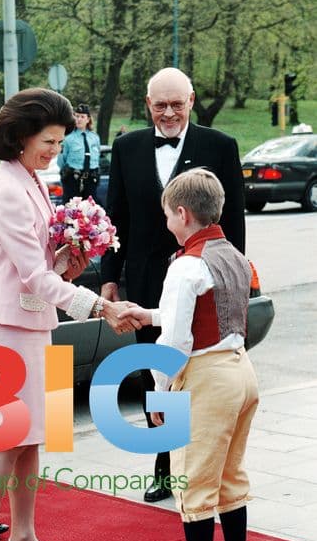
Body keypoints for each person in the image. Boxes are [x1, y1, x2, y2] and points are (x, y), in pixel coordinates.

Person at [0, 87, 137, 541]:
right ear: (20, 136)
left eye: (61, 142)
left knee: (36, 436)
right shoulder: (5, 189)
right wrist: (98, 305)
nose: (54, 151)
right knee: (4, 438)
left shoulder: (32, 180)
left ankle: (24, 535)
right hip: (3, 326)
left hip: (34, 321)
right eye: (48, 140)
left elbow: (43, 269)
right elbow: (30, 277)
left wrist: (69, 263)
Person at [101, 67, 245, 504]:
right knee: (156, 372)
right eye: (159, 105)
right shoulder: (127, 148)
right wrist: (110, 276)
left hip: (204, 280)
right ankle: (165, 466)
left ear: (192, 101)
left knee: (201, 371)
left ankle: (207, 463)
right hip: (147, 280)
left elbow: (233, 219)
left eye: (176, 104)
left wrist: (233, 278)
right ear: (148, 104)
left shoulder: (220, 146)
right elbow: (115, 219)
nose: (168, 113)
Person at [118, 168, 259, 541]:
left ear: (181, 213)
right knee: (231, 476)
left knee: (192, 479)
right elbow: (205, 310)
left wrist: (158, 394)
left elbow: (177, 342)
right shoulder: (231, 253)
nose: (165, 223)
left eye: (166, 215)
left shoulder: (185, 265)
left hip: (205, 378)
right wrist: (148, 313)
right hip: (240, 370)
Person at [57, 103, 101, 203]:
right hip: (73, 179)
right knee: (71, 209)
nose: (79, 119)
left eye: (82, 117)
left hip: (91, 178)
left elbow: (97, 157)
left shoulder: (94, 137)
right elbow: (61, 160)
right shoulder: (68, 138)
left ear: (88, 119)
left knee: (91, 209)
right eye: (76, 116)